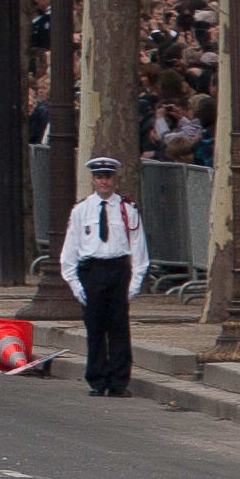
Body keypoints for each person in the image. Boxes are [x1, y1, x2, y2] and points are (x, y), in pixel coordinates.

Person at [61, 154, 149, 396]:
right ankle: (98, 380)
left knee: (119, 328)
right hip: (93, 271)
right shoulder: (81, 210)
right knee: (95, 328)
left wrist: (134, 283)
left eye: (108, 177)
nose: (104, 182)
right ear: (93, 180)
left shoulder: (127, 209)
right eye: (99, 177)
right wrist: (74, 283)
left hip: (119, 270)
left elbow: (139, 249)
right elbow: (70, 249)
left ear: (114, 179)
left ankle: (119, 382)